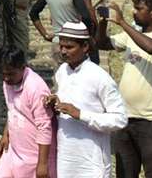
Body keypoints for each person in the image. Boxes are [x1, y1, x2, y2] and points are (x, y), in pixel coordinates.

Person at [96, 0, 152, 178]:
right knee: (125, 172)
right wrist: (103, 21)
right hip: (125, 117)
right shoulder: (131, 36)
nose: (134, 12)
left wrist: (122, 22)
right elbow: (102, 43)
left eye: (139, 9)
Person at [46, 22, 127, 177]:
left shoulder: (100, 77)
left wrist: (81, 114)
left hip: (92, 160)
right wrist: (54, 103)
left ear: (85, 47)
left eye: (69, 47)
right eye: (61, 46)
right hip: (66, 156)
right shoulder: (62, 71)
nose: (63, 51)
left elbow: (120, 119)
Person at [0, 46, 57, 178]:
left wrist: (42, 164)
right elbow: (12, 109)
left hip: (34, 155)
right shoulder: (8, 82)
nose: (6, 78)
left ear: (23, 67)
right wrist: (6, 134)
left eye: (10, 74)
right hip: (15, 150)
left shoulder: (35, 87)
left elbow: (44, 127)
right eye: (3, 73)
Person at [30, 0, 94, 65]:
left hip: (58, 42)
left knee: (61, 77)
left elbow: (33, 13)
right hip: (74, 43)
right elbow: (86, 18)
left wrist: (44, 34)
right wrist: (89, 37)